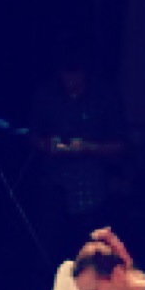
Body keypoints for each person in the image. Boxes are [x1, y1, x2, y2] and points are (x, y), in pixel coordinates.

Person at [28, 44, 130, 270]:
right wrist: (48, 145)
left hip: (93, 191)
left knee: (94, 259)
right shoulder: (46, 94)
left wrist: (88, 147)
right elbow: (32, 136)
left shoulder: (105, 95)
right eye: (66, 75)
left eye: (76, 75)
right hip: (54, 187)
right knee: (50, 254)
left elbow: (121, 146)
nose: (71, 81)